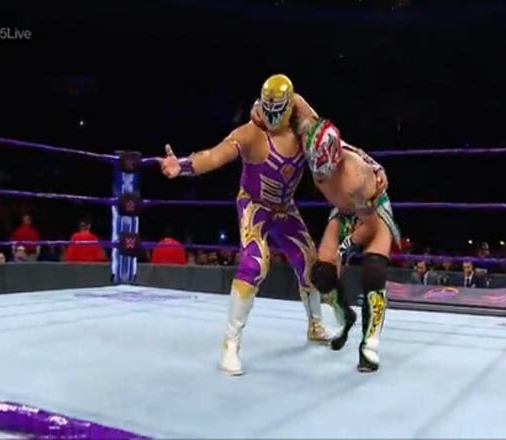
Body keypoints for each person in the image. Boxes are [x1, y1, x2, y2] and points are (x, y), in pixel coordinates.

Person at [158, 74, 339, 376]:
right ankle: (230, 344)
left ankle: (315, 325)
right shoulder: (251, 134)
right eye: (267, 107)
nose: (270, 115)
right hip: (254, 205)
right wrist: (184, 166)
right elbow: (215, 155)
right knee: (254, 262)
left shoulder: (304, 126)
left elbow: (329, 144)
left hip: (285, 207)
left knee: (310, 263)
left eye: (278, 108)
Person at [252, 91, 400, 372]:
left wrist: (344, 248)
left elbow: (368, 227)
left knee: (373, 270)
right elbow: (291, 96)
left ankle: (370, 344)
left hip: (372, 209)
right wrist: (262, 106)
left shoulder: (356, 177)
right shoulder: (308, 127)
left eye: (326, 171)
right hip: (343, 209)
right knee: (321, 274)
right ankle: (345, 316)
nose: (320, 177)